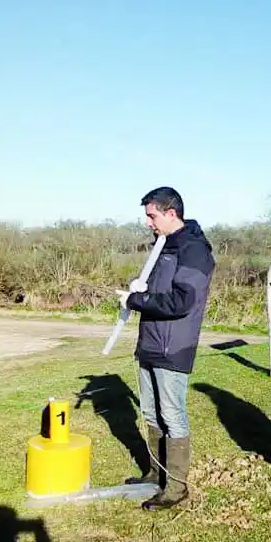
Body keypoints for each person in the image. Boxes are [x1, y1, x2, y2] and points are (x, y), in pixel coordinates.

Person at [117, 187, 215, 510]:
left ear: (171, 213)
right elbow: (157, 289)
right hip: (150, 342)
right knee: (150, 412)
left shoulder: (193, 250)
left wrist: (139, 300)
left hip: (174, 346)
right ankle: (155, 474)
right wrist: (139, 288)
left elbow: (182, 300)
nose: (149, 223)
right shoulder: (161, 246)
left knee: (172, 415)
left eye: (152, 216)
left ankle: (176, 488)